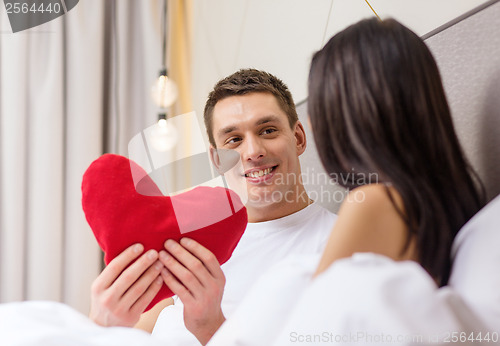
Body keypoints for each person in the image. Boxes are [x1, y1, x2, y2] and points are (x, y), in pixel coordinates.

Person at [207, 18, 488, 346]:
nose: (252, 152)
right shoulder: (443, 201)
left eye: (321, 107)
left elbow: (311, 327)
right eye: (234, 140)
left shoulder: (374, 204)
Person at [89, 69, 337, 345]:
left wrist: (210, 328)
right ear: (217, 159)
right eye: (234, 139)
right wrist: (100, 322)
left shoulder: (340, 244)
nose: (253, 151)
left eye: (268, 131)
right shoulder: (190, 238)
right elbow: (126, 332)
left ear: (299, 138)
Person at [306, 18, 485, 284]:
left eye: (317, 106)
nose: (311, 122)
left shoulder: (374, 203)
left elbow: (314, 321)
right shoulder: (453, 195)